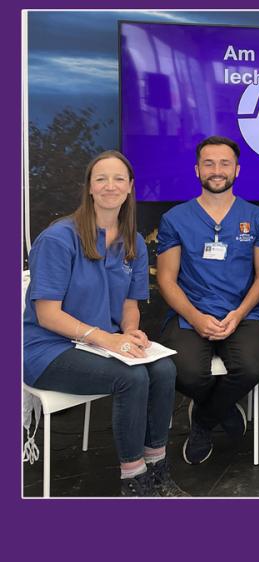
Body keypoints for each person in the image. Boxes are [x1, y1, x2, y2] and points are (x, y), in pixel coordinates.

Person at [23, 150, 185, 497]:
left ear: (129, 188)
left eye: (118, 179)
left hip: (99, 345)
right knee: (131, 376)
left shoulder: (134, 243)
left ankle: (157, 466)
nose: (110, 186)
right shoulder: (58, 238)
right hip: (48, 349)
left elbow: (130, 304)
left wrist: (128, 332)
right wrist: (106, 339)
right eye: (101, 179)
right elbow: (47, 315)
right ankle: (134, 479)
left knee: (164, 370)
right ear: (90, 188)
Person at [157, 136, 259, 465]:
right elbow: (166, 279)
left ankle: (204, 421)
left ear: (237, 169)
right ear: (197, 170)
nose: (217, 170)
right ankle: (221, 409)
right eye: (209, 163)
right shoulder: (175, 219)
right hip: (189, 315)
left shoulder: (257, 217)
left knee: (251, 368)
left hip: (242, 313)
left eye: (225, 163)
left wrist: (238, 314)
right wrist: (195, 317)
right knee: (187, 374)